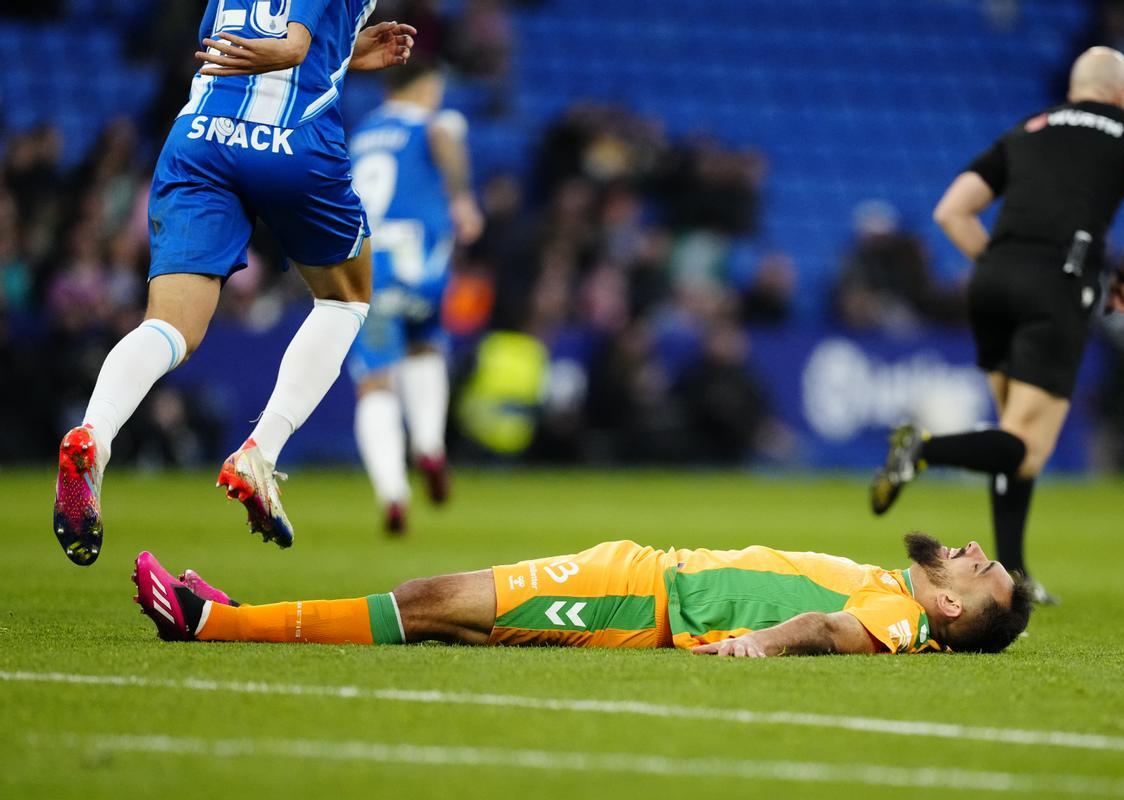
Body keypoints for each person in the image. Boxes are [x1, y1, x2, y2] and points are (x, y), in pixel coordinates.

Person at [52, 2, 418, 565]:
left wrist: (339, 54)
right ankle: (260, 454)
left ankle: (93, 439)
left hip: (200, 136)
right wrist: (309, 54)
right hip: (290, 141)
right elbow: (292, 43)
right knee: (346, 299)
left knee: (169, 325)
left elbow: (229, 39)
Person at [869, 47, 1124, 603]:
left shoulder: (1028, 127)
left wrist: (998, 266)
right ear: (1123, 94)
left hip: (990, 281)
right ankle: (924, 449)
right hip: (1058, 282)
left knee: (1010, 436)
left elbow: (951, 210)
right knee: (1026, 446)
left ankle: (1016, 574)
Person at [131, 532, 1032, 656]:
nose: (974, 550)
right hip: (642, 576)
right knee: (449, 619)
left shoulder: (900, 620)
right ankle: (238, 615)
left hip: (640, 598)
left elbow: (829, 626)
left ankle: (211, 624)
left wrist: (760, 644)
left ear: (953, 608)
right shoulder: (900, 589)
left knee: (431, 597)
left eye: (981, 570)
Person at [346, 58, 483, 534]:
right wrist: (463, 199)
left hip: (366, 264)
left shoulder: (361, 136)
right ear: (425, 85)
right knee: (426, 343)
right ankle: (429, 444)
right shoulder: (430, 120)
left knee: (375, 381)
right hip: (421, 261)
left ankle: (393, 493)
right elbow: (444, 132)